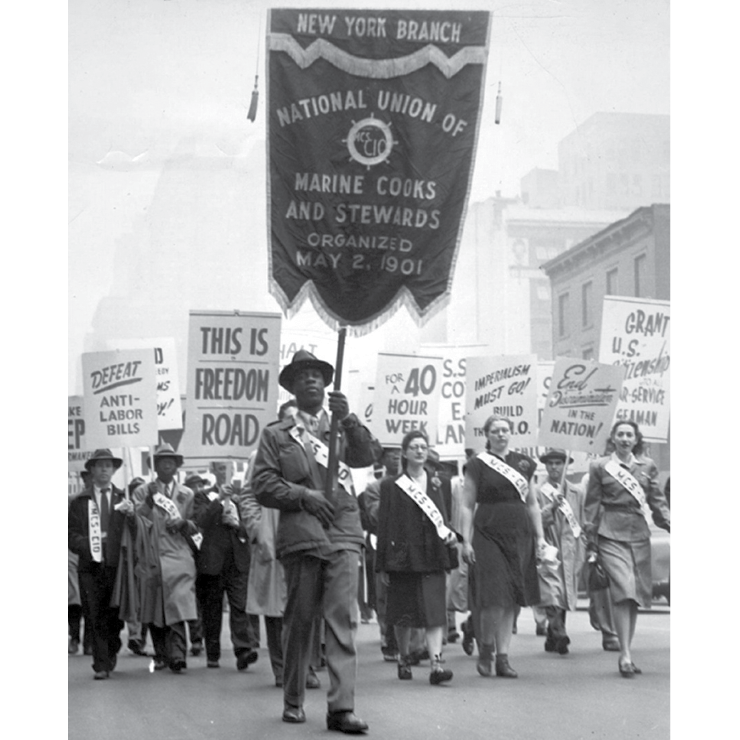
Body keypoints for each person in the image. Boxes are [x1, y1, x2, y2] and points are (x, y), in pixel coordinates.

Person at [252, 349, 380, 733]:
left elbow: (365, 457)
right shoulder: (277, 435)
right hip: (303, 534)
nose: (312, 380)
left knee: (342, 619)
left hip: (343, 530)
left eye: (317, 375)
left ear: (327, 384)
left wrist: (350, 421)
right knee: (301, 619)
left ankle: (341, 708)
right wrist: (303, 495)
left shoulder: (341, 425)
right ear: (291, 388)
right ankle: (293, 697)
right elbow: (262, 484)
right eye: (303, 375)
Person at [242, 399, 323, 689]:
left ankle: (306, 667)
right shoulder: (262, 452)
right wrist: (257, 530)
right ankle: (281, 667)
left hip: (303, 529)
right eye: (291, 420)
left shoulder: (315, 450)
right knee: (277, 608)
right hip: (272, 530)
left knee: (305, 603)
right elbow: (248, 495)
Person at [460, 415, 545, 679]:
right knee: (494, 596)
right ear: (486, 434)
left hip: (519, 534)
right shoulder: (476, 465)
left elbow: (532, 504)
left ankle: (503, 658)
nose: (500, 434)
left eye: (505, 430)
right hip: (488, 534)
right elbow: (466, 504)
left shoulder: (524, 463)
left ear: (511, 433)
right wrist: (465, 539)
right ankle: (486, 650)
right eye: (495, 430)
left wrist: (540, 537)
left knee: (512, 598)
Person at [584, 420, 671, 677]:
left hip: (638, 534)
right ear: (613, 437)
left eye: (629, 435)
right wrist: (591, 540)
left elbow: (657, 501)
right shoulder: (600, 467)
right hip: (610, 533)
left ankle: (627, 650)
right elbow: (592, 506)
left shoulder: (647, 466)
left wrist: (669, 522)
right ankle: (625, 656)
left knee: (634, 595)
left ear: (636, 439)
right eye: (620, 434)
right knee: (624, 589)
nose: (624, 438)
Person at [375, 431, 457, 685]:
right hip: (403, 557)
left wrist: (452, 545)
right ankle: (403, 655)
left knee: (434, 611)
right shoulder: (391, 485)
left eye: (423, 446)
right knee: (403, 612)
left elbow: (446, 517)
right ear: (405, 452)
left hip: (432, 553)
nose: (420, 451)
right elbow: (384, 524)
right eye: (414, 447)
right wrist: (382, 565)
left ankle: (436, 664)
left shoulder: (440, 482)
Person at [68, 449, 137, 679]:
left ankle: (111, 648)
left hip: (115, 566)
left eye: (109, 465)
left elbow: (136, 534)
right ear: (92, 470)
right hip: (90, 566)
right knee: (94, 614)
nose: (105, 469)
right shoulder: (80, 501)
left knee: (114, 615)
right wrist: (90, 545)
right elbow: (71, 534)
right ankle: (101, 664)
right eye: (100, 466)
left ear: (114, 470)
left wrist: (132, 516)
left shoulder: (123, 499)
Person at [132, 443, 199, 674]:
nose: (167, 464)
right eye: (162, 460)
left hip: (178, 556)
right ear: (156, 465)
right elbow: (136, 521)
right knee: (155, 607)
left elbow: (196, 527)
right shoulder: (143, 491)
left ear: (177, 465)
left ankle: (178, 654)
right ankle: (161, 653)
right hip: (151, 555)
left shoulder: (187, 494)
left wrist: (184, 524)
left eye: (171, 460)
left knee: (179, 602)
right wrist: (149, 503)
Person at [191, 465, 259, 671]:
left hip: (237, 560)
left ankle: (243, 650)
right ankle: (213, 653)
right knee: (212, 609)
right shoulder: (202, 497)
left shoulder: (240, 498)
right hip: (212, 561)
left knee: (240, 606)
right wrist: (219, 500)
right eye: (220, 473)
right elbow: (200, 520)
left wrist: (238, 524)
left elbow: (251, 527)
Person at [535, 449, 586, 655]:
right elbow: (537, 520)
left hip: (571, 548)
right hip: (550, 546)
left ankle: (552, 633)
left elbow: (580, 521)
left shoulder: (576, 493)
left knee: (565, 591)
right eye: (551, 463)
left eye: (559, 463)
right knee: (552, 590)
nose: (555, 467)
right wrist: (552, 507)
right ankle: (559, 631)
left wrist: (583, 545)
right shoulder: (539, 492)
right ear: (546, 466)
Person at [359, 445, 403, 662]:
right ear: (382, 459)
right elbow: (377, 516)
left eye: (399, 452)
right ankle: (389, 639)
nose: (395, 456)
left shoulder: (416, 482)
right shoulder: (375, 487)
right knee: (384, 595)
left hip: (410, 545)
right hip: (383, 544)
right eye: (390, 453)